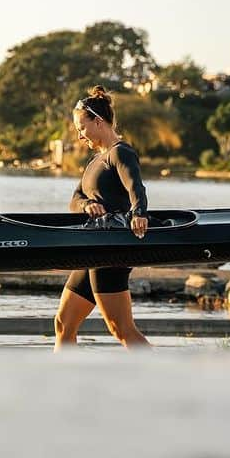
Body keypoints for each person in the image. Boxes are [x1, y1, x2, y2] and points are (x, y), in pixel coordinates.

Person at [54, 86, 151, 351]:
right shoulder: (95, 161)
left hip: (111, 251)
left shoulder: (120, 153)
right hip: (92, 249)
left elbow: (136, 187)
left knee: (121, 330)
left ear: (98, 121)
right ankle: (59, 385)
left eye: (81, 127)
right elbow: (75, 200)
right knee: (63, 323)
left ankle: (165, 380)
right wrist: (87, 205)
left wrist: (139, 213)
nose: (79, 134)